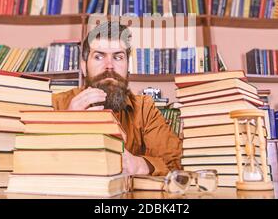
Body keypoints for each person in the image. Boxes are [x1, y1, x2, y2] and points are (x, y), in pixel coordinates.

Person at [52, 21, 182, 176]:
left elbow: (176, 164)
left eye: (118, 57)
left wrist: (141, 165)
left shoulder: (144, 109)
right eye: (99, 56)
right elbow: (31, 162)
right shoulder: (57, 104)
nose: (109, 66)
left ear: (127, 68)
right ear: (84, 67)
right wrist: (65, 126)